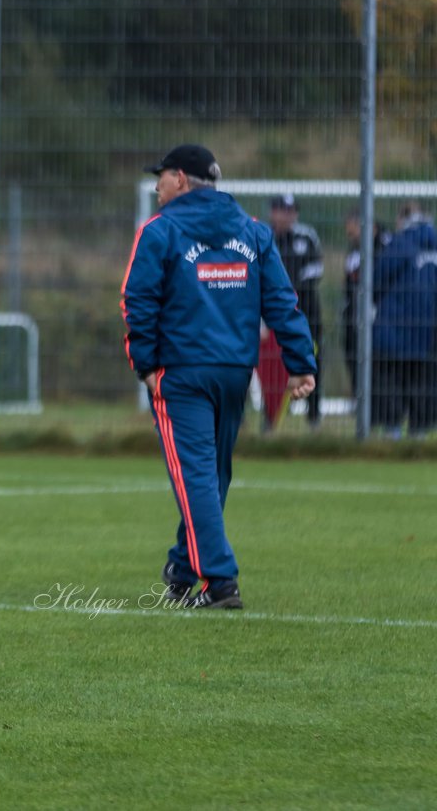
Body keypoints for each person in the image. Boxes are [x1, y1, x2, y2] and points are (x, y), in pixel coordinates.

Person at [122, 144, 316, 609]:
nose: (156, 185)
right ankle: (184, 566)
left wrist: (146, 367)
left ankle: (220, 582)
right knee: (213, 476)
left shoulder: (159, 232)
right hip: (232, 371)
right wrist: (301, 360)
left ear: (182, 180)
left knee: (196, 478)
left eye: (163, 176)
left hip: (182, 373)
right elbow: (281, 301)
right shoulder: (254, 232)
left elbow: (137, 301)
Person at [372, 202, 437, 437]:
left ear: (403, 219)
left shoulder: (400, 243)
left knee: (390, 382)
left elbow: (376, 279)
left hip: (394, 328)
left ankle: (393, 433)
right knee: (423, 383)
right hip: (429, 332)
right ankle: (419, 436)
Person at [268, 193, 324, 428]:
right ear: (273, 212)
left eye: (291, 211)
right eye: (282, 210)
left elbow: (317, 267)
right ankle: (270, 417)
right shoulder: (264, 236)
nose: (287, 215)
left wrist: (292, 287)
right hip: (272, 313)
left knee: (313, 361)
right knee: (270, 364)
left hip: (307, 312)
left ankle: (313, 418)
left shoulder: (306, 236)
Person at [341, 207, 387, 402]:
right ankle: (359, 402)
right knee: (353, 357)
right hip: (353, 316)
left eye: (353, 232)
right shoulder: (354, 252)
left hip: (377, 316)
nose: (352, 237)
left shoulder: (385, 247)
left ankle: (376, 407)